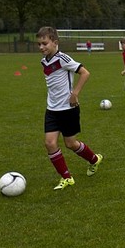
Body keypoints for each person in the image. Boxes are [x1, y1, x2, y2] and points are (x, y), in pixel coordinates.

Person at [37, 26, 103, 190]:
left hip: (68, 109)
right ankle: (66, 178)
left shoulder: (63, 59)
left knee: (70, 144)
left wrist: (74, 93)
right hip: (52, 110)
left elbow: (85, 73)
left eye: (44, 43)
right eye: (39, 44)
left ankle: (94, 159)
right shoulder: (44, 61)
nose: (41, 47)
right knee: (50, 143)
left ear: (55, 42)